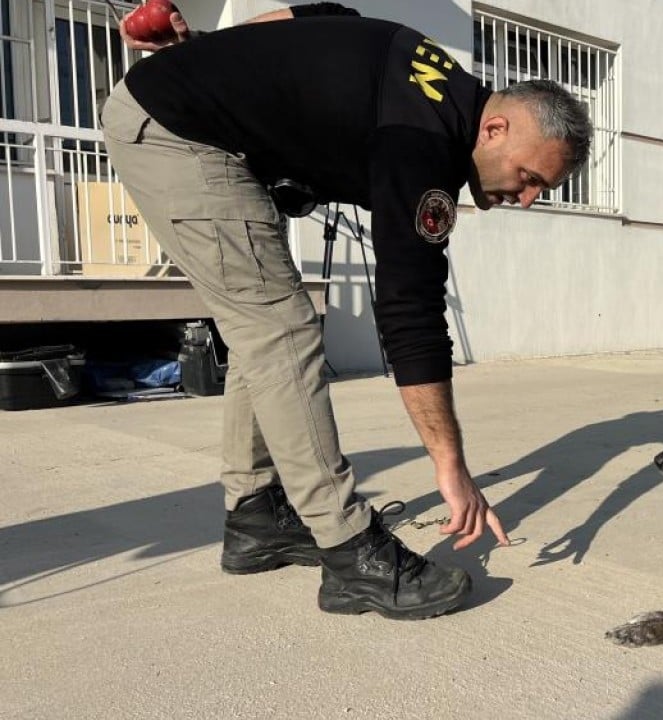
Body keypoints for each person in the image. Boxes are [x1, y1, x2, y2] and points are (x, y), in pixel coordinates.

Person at [102, 3, 592, 620]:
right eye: (528, 177)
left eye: (540, 189)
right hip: (177, 132)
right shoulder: (424, 143)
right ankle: (348, 549)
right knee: (279, 329)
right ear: (495, 129)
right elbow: (409, 311)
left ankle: (256, 516)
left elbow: (326, 14)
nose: (525, 198)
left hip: (189, 116)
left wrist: (208, 49)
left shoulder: (433, 73)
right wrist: (451, 466)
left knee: (271, 328)